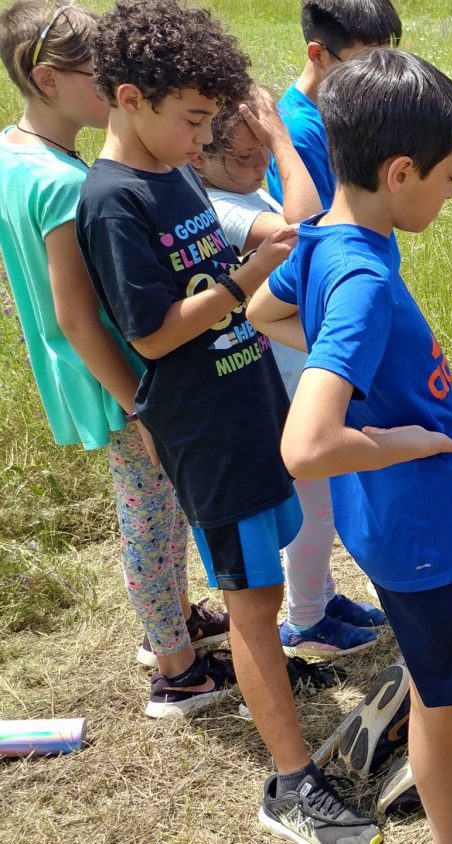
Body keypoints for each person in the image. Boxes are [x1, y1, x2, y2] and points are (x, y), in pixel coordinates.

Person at [76, 2, 374, 840]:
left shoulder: (172, 174)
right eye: (192, 120)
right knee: (252, 597)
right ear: (130, 98)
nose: (201, 139)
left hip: (246, 399)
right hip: (204, 428)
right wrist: (246, 281)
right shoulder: (112, 199)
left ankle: (270, 677)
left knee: (266, 577)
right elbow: (151, 330)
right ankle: (288, 783)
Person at [248, 48, 452, 844]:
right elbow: (306, 447)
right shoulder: (367, 280)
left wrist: (361, 372)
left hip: (390, 536)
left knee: (437, 703)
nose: (451, 193)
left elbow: (263, 315)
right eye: (450, 177)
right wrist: (397, 438)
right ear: (401, 172)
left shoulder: (327, 239)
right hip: (443, 539)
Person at [0, 0, 231, 710]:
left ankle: (175, 619)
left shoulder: (16, 153)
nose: (113, 87)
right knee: (150, 516)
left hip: (93, 371)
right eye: (96, 75)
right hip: (117, 377)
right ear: (45, 78)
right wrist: (141, 402)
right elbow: (78, 314)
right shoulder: (67, 185)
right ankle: (176, 666)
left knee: (158, 511)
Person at [193, 91, 389, 657]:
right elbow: (308, 226)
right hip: (276, 377)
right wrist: (281, 140)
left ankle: (321, 597)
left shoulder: (235, 187)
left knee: (315, 502)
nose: (260, 167)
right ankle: (306, 620)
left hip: (284, 365)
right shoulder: (220, 205)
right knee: (314, 506)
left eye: (263, 153)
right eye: (246, 156)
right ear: (200, 155)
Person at [266, 0, 402, 208]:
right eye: (363, 65)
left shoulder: (353, 104)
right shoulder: (299, 133)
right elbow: (316, 229)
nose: (379, 76)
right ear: (318, 54)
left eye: (385, 61)